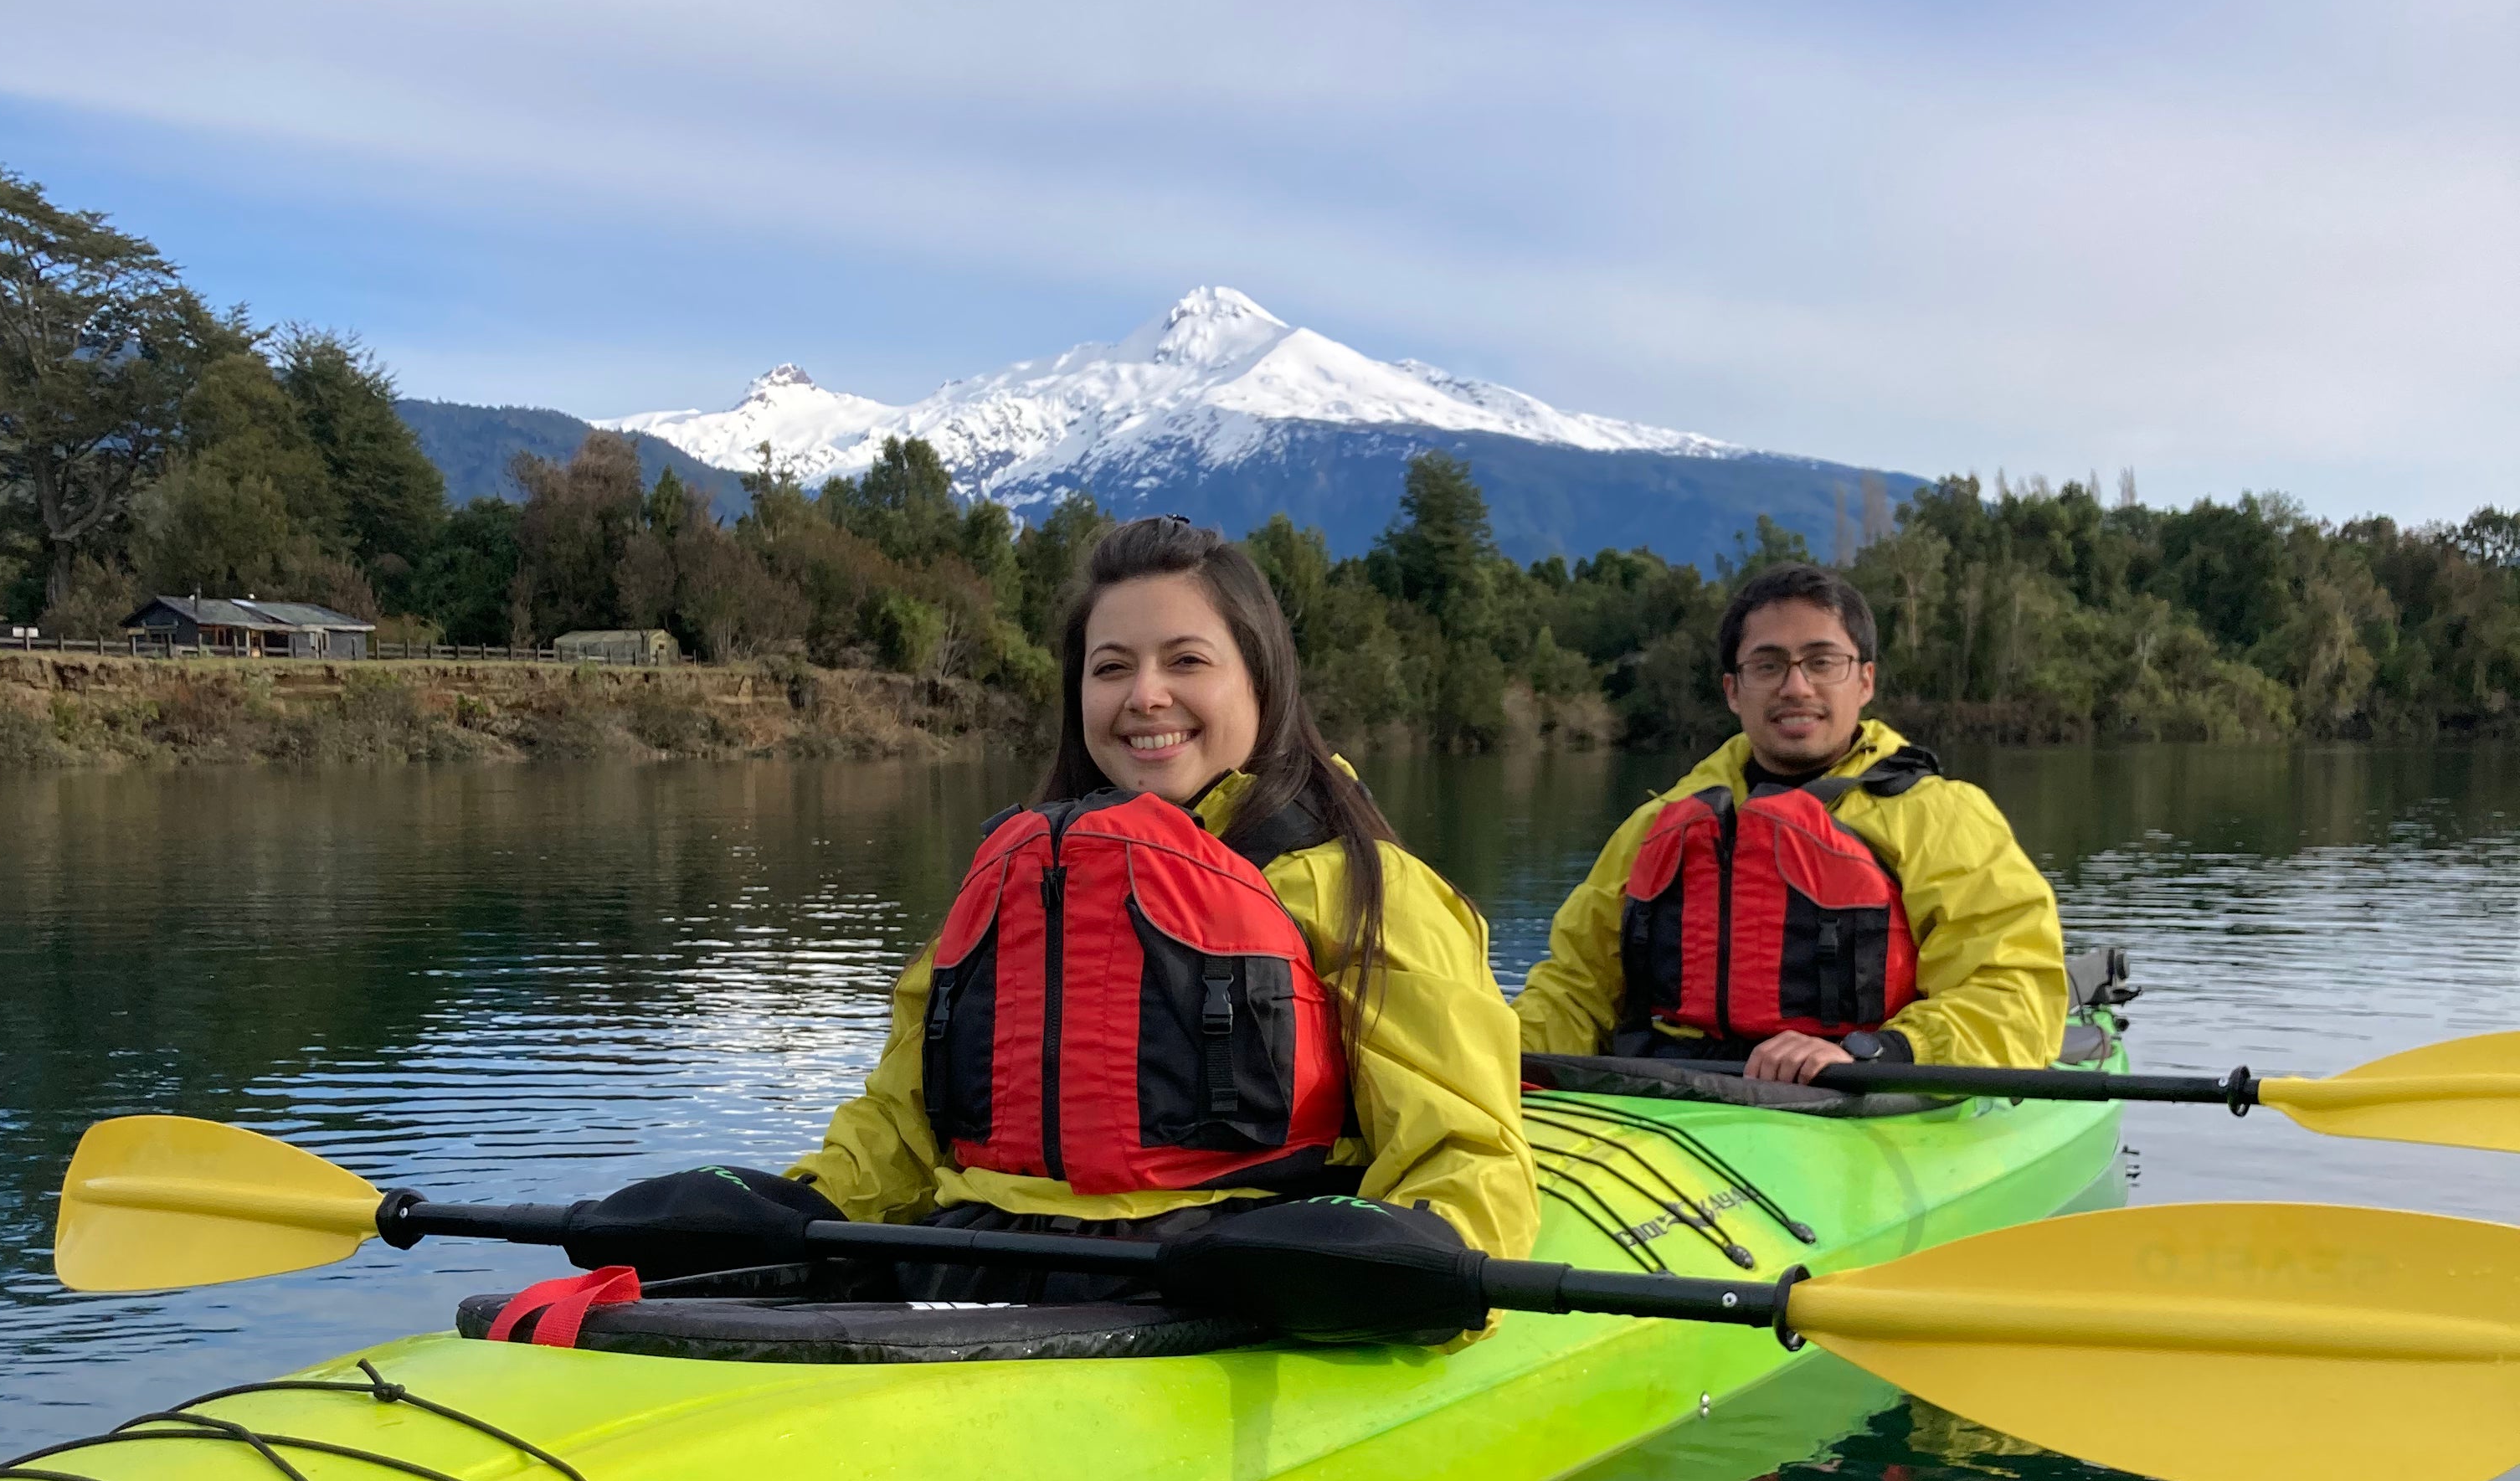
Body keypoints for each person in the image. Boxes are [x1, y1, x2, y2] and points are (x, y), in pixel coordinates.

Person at [780, 514, 1539, 1298]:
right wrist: (803, 1201)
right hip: (975, 1271)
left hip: (1223, 1287)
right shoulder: (1015, 884)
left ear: (1261, 680)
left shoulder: (1358, 889)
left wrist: (1423, 1250)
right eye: (1111, 669)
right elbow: (902, 1129)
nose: (1146, 696)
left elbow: (1461, 1151)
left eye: (1186, 661)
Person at [1513, 561, 2067, 1083]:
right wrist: (1496, 1053)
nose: (1795, 687)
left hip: (1862, 1098)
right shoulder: (1657, 824)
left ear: (1865, 681)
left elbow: (2014, 992)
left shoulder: (1940, 817)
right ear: (1734, 689)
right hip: (1668, 1098)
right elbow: (1573, 990)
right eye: (1768, 665)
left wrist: (1878, 1052)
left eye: (1822, 662)